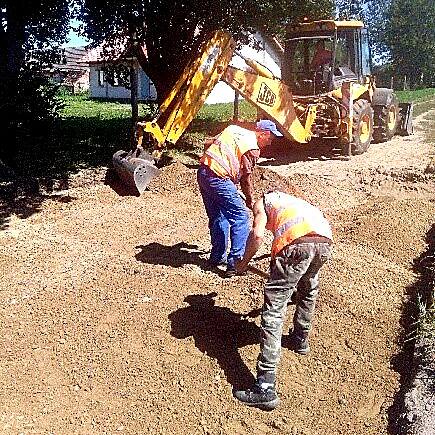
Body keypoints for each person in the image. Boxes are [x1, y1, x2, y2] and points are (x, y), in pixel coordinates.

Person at [234, 190, 333, 410]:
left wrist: (243, 262)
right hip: (324, 242)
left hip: (297, 245)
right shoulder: (293, 203)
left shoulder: (263, 202)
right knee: (308, 289)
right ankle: (300, 339)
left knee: (274, 309)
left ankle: (265, 386)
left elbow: (258, 235)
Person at [197, 120, 283, 278]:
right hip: (219, 179)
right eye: (270, 139)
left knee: (218, 216)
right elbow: (246, 179)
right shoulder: (252, 148)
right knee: (241, 217)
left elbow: (209, 142)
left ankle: (217, 257)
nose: (270, 143)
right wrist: (250, 200)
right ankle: (235, 263)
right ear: (263, 133)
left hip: (203, 172)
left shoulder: (233, 129)